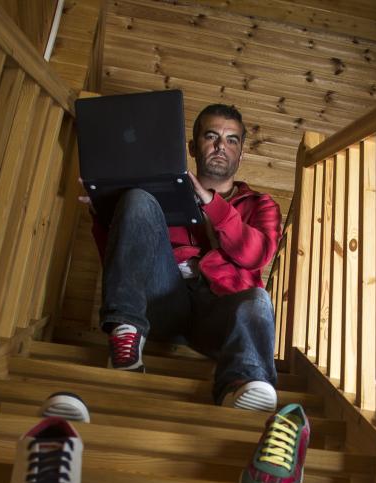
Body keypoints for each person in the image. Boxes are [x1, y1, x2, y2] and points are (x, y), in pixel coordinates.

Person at [92, 103, 284, 411]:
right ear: (193, 148)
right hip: (163, 303)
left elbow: (256, 254)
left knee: (259, 300)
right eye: (212, 136)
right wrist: (104, 217)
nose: (221, 146)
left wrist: (212, 204)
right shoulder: (158, 196)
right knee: (138, 198)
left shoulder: (261, 205)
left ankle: (242, 384)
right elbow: (124, 263)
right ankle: (125, 335)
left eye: (231, 140)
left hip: (219, 314)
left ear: (241, 154)